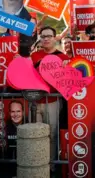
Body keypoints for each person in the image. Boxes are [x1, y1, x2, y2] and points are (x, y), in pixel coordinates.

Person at [30, 26, 69, 172]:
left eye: (49, 36)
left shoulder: (63, 57)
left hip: (52, 102)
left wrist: (67, 67)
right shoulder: (34, 56)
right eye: (43, 36)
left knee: (52, 134)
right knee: (35, 134)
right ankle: (37, 164)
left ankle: (50, 166)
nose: (46, 39)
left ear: (55, 38)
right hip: (34, 102)